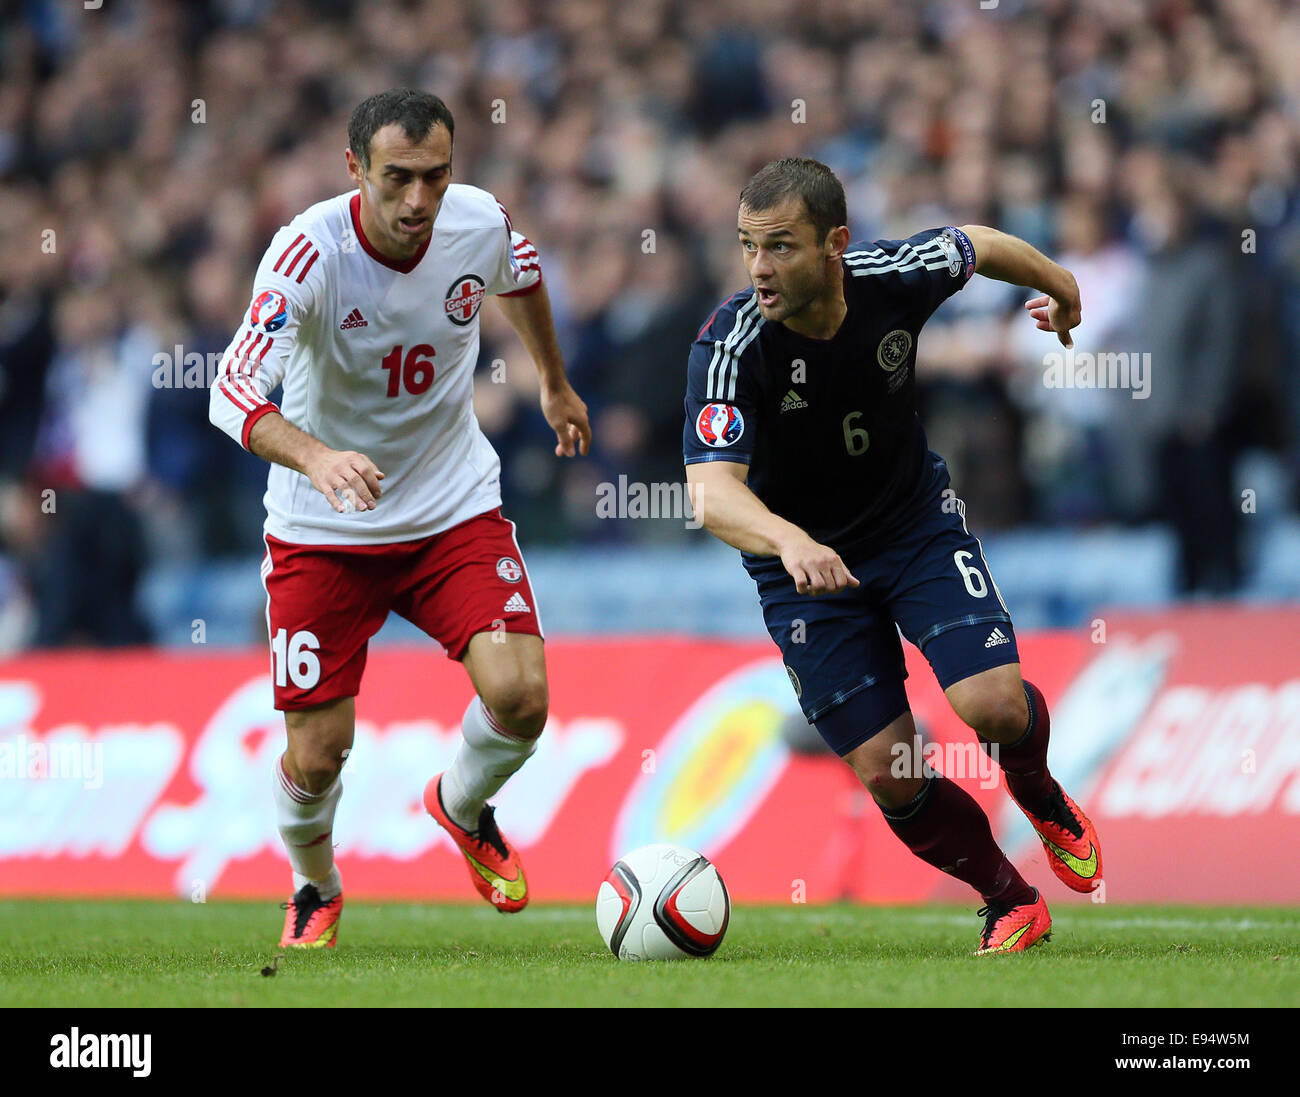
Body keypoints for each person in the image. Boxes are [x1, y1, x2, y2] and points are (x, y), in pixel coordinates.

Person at [684, 157, 1100, 954]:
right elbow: (709, 493)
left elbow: (976, 244)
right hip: (803, 571)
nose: (759, 269)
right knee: (890, 767)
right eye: (747, 247)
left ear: (835, 244)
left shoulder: (892, 276)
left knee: (996, 708)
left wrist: (1060, 282)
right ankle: (1009, 899)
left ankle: (1036, 787)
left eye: (780, 247)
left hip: (913, 528)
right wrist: (789, 539)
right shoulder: (731, 346)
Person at [209, 89, 590, 948]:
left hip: (449, 506)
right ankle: (313, 885)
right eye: (398, 179)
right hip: (321, 527)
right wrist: (317, 456)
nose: (419, 200)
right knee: (317, 755)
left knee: (523, 697)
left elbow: (522, 274)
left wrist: (552, 381)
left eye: (436, 176)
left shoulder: (477, 222)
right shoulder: (308, 253)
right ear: (355, 169)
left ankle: (460, 805)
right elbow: (229, 393)